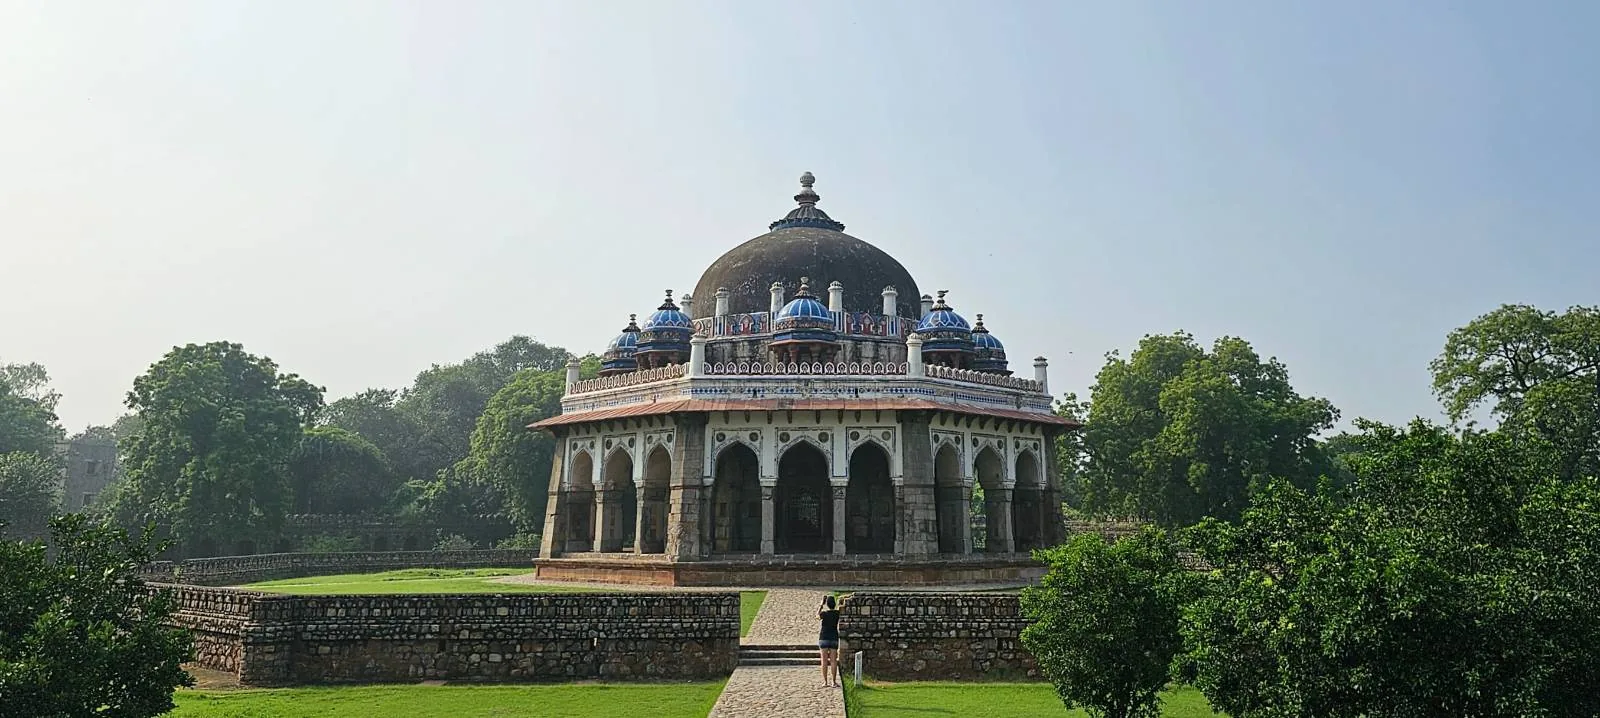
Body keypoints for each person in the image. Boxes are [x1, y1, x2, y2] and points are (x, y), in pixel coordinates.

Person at [818, 595, 841, 687]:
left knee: (824, 661)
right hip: (833, 637)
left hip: (824, 637)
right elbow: (841, 608)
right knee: (833, 661)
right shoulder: (837, 613)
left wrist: (821, 604)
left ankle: (825, 681)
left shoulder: (824, 614)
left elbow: (817, 616)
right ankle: (834, 681)